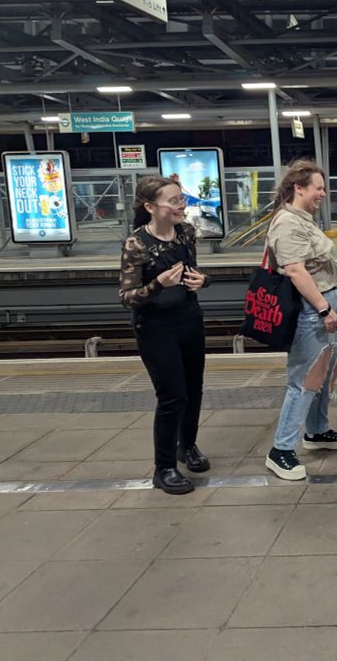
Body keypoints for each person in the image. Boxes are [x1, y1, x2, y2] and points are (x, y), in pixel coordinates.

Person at [119, 176, 210, 495]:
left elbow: (193, 273)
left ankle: (188, 446)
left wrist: (203, 281)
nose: (181, 205)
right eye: (173, 201)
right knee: (172, 396)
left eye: (181, 199)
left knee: (194, 389)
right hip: (156, 328)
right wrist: (158, 284)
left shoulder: (186, 233)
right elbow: (127, 296)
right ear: (150, 207)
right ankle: (164, 468)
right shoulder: (136, 244)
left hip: (189, 319)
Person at [264, 159, 337, 481]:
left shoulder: (302, 218)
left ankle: (316, 430)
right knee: (305, 379)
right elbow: (295, 270)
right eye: (318, 188)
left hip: (322, 299)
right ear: (298, 188)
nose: (323, 194)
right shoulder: (288, 222)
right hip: (311, 306)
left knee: (326, 369)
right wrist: (324, 310)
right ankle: (281, 450)